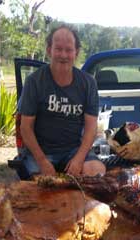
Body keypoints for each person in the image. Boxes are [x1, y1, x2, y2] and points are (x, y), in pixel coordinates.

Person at [18, 25, 106, 177]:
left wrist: (78, 160)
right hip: (40, 152)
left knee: (96, 171)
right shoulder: (34, 81)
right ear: (49, 50)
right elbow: (25, 128)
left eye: (69, 49)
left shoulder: (88, 83)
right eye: (58, 49)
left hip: (73, 150)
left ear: (76, 52)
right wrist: (42, 161)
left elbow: (91, 127)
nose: (63, 55)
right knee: (43, 189)